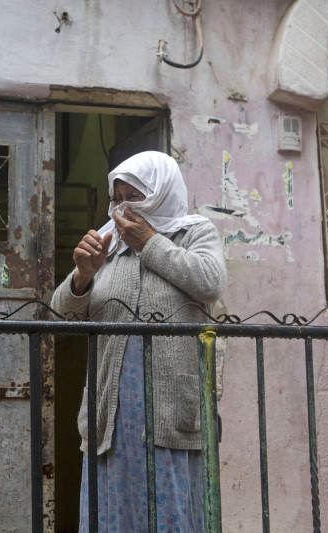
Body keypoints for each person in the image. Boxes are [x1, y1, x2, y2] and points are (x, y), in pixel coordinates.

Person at [51, 151, 228, 532]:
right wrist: (82, 277)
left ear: (160, 194)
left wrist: (149, 243)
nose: (123, 208)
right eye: (117, 198)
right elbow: (61, 318)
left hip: (171, 408)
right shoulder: (107, 243)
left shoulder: (193, 232)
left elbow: (210, 282)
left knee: (169, 511)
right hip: (111, 416)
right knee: (113, 509)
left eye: (136, 197)